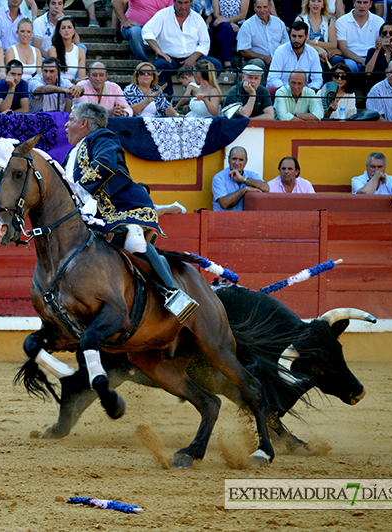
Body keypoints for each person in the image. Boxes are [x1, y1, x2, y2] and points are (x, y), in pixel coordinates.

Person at [63, 102, 199, 324]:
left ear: (83, 122)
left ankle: (172, 293)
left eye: (70, 120)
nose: (66, 126)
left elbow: (105, 164)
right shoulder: (69, 156)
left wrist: (78, 192)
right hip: (92, 216)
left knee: (134, 240)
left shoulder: (102, 137)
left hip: (122, 207)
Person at [141, 0, 222, 95]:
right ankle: (168, 99)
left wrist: (193, 58)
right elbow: (146, 31)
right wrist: (159, 51)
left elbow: (205, 43)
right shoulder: (163, 14)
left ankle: (201, 93)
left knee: (215, 65)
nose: (183, 6)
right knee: (160, 66)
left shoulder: (197, 18)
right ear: (174, 2)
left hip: (194, 58)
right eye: (180, 3)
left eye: (186, 3)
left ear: (191, 3)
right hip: (170, 58)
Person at [267, 21, 324, 91]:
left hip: (304, 93)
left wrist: (308, 92)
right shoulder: (280, 51)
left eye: (300, 36)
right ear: (290, 35)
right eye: (294, 36)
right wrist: (286, 92)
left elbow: (317, 80)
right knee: (270, 89)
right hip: (282, 92)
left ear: (306, 36)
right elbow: (273, 78)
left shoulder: (312, 53)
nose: (296, 40)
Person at [236, 0, 288, 72]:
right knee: (258, 63)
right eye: (259, 7)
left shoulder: (279, 23)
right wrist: (264, 58)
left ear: (270, 7)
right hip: (256, 62)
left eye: (265, 7)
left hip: (278, 60)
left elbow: (286, 46)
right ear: (254, 7)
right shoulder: (247, 25)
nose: (262, 10)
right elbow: (243, 50)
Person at [211, 146, 268, 211]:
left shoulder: (251, 175)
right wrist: (244, 190)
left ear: (246, 161)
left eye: (241, 160)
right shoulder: (219, 177)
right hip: (223, 219)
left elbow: (266, 188)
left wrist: (242, 179)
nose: (237, 163)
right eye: (234, 159)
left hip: (244, 219)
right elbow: (224, 204)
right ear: (229, 159)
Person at [336, 0, 384, 73]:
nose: (362, 6)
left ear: (370, 4)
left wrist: (369, 60)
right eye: (359, 2)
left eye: (365, 2)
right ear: (354, 3)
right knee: (349, 66)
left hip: (372, 57)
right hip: (350, 58)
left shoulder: (379, 21)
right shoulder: (342, 21)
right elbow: (343, 49)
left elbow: (382, 45)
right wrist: (362, 61)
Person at [364, 21, 392, 90]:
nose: (387, 35)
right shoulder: (372, 51)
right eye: (385, 33)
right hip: (376, 87)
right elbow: (368, 72)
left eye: (391, 33)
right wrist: (377, 50)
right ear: (381, 35)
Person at [296, 0, 340, 68]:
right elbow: (299, 42)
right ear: (308, 3)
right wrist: (317, 49)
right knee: (318, 65)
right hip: (307, 53)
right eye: (313, 1)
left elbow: (333, 44)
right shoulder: (300, 20)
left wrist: (315, 42)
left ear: (323, 5)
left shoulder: (329, 20)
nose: (316, 4)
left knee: (338, 61)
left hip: (327, 54)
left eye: (319, 1)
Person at [209, 0, 249, 69]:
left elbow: (243, 15)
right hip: (221, 24)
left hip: (238, 25)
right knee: (226, 28)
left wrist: (228, 21)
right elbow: (216, 14)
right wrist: (230, 23)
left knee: (219, 37)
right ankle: (227, 62)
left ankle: (226, 63)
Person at [48, 16, 86, 83]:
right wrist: (72, 81)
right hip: (57, 86)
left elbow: (82, 78)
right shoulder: (53, 50)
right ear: (59, 31)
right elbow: (52, 75)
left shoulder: (80, 51)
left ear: (74, 31)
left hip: (73, 87)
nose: (66, 30)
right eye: (63, 28)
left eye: (69, 27)